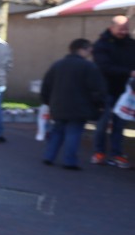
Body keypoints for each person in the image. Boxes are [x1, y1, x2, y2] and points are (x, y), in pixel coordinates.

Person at [40, 39, 108, 170]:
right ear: (83, 49)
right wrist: (100, 104)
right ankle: (69, 161)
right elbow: (97, 89)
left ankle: (49, 156)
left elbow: (46, 86)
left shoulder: (57, 65)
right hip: (79, 107)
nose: (90, 52)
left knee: (57, 132)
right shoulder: (89, 67)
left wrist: (47, 102)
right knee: (74, 133)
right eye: (89, 49)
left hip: (58, 106)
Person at [91, 15, 135, 168]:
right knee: (102, 124)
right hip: (105, 90)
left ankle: (117, 154)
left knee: (120, 124)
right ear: (111, 28)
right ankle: (99, 153)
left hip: (125, 92)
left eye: (126, 29)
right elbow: (104, 67)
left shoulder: (131, 44)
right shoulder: (101, 45)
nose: (124, 32)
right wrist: (129, 72)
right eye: (121, 29)